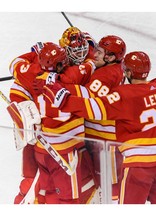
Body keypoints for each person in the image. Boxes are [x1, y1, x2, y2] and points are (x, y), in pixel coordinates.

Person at [38, 51, 156, 204]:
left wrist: (64, 100)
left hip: (139, 166)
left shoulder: (124, 95)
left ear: (129, 72)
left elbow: (94, 108)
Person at [9, 36, 97, 204]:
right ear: (58, 65)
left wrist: (34, 55)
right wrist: (91, 52)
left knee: (45, 191)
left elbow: (15, 63)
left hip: (41, 149)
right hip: (65, 152)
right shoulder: (71, 81)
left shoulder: (30, 75)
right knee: (68, 199)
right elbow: (90, 68)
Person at [59, 34, 126, 203]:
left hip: (105, 141)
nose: (94, 54)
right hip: (101, 137)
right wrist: (87, 44)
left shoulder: (106, 75)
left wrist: (56, 85)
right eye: (95, 49)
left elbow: (87, 98)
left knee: (110, 185)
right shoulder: (115, 67)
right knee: (99, 182)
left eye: (99, 52)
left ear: (110, 57)